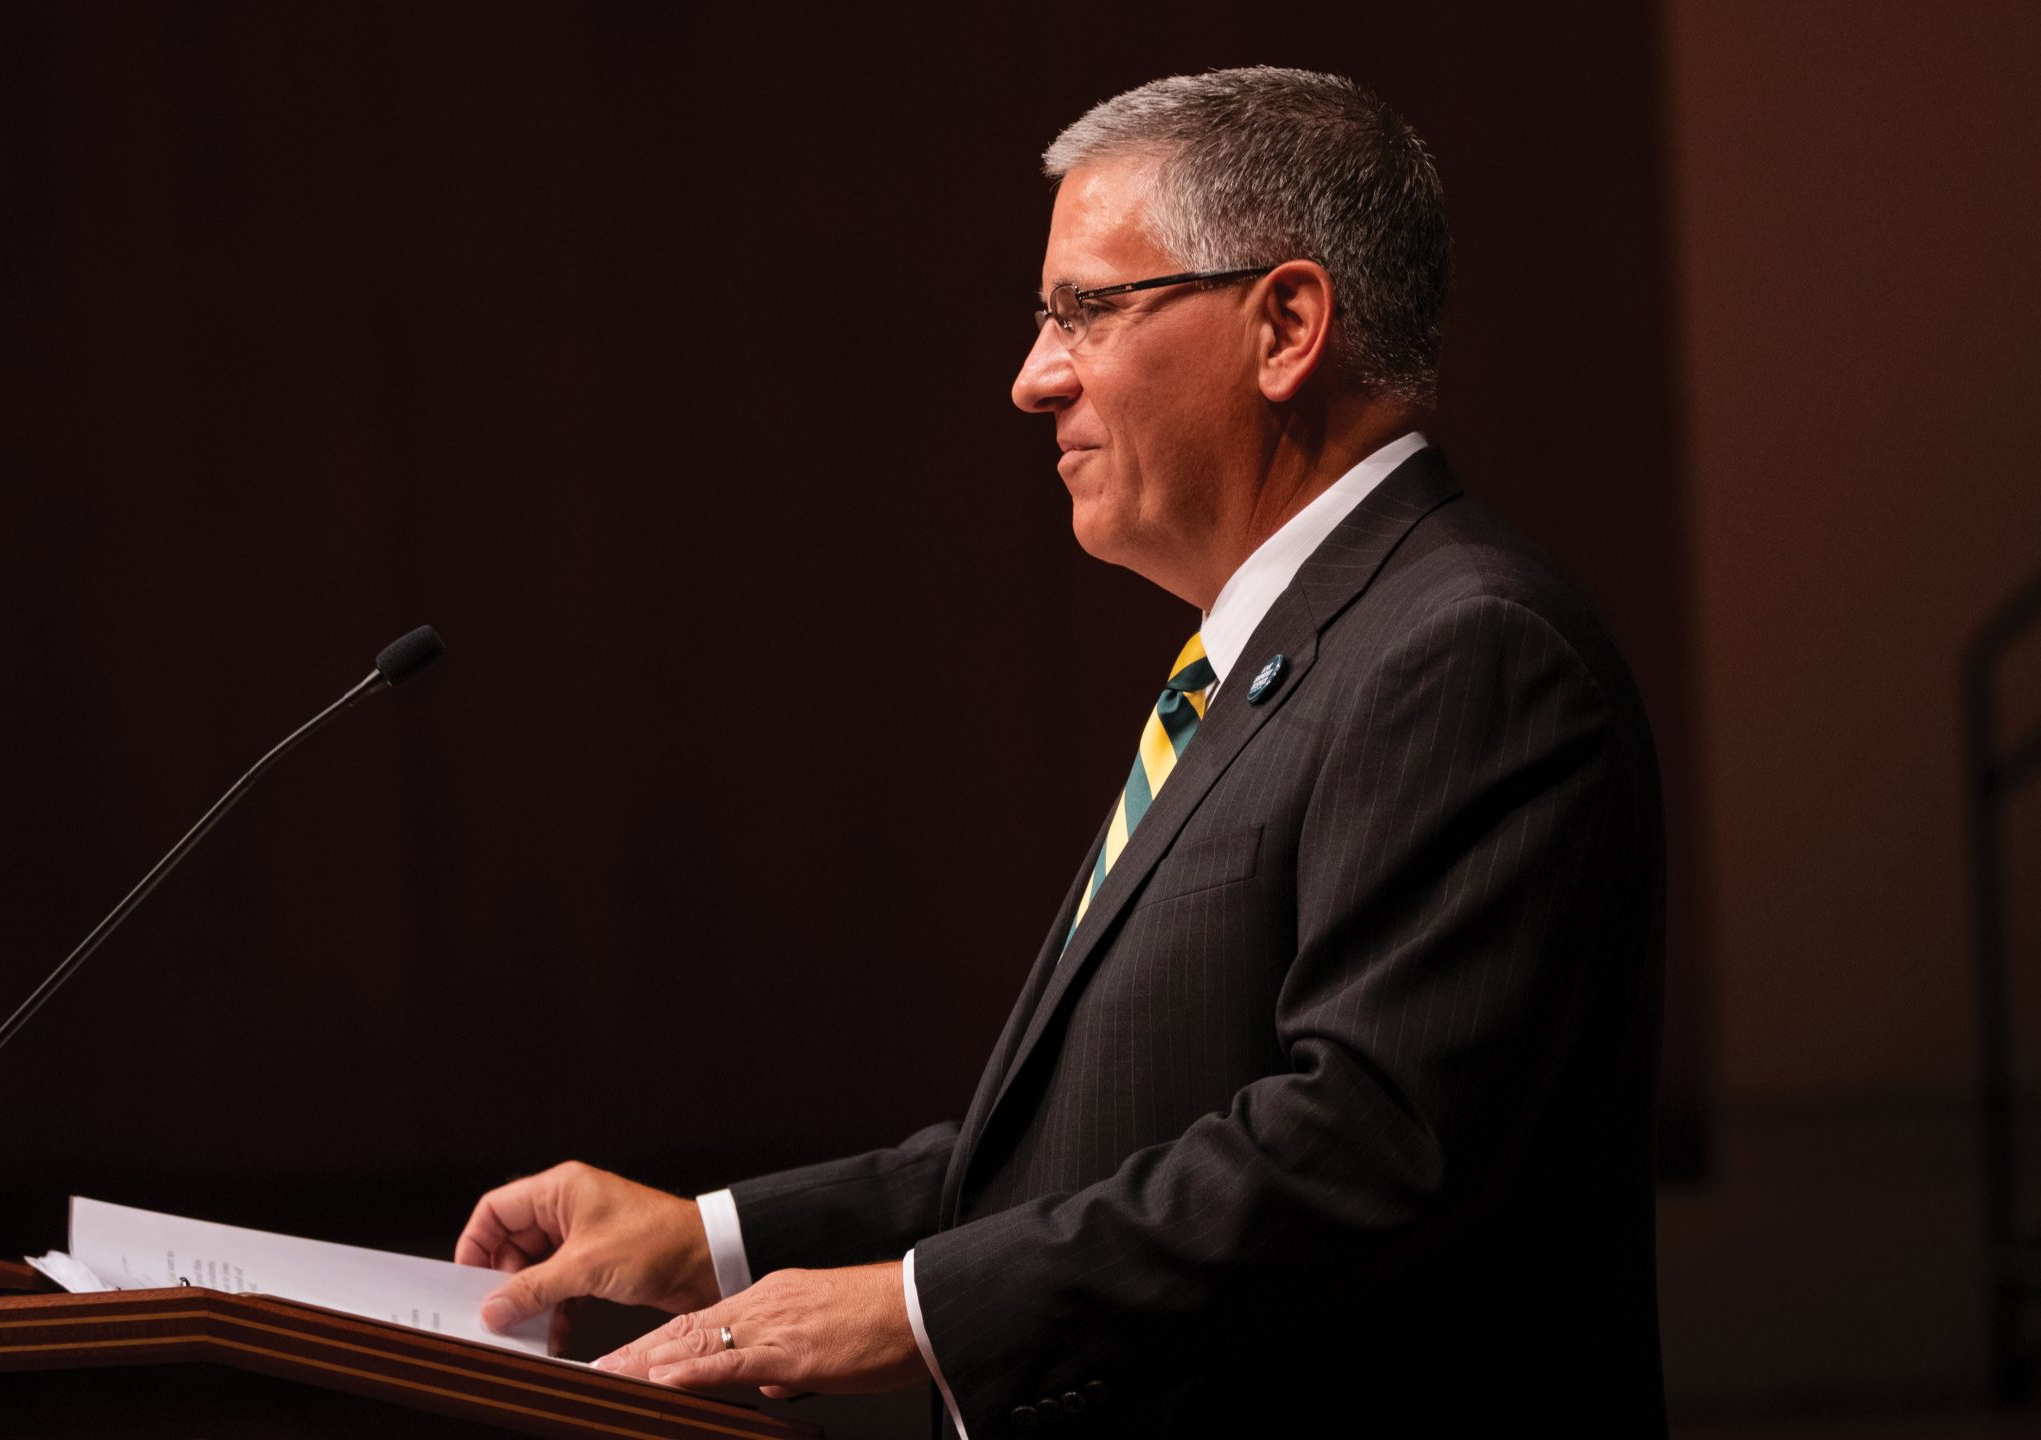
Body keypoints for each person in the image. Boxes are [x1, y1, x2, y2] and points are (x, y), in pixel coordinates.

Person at [456, 67, 1666, 1437]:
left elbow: (1369, 1148)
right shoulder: (1284, 656)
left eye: (1084, 310)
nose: (1033, 379)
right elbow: (1098, 1141)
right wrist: (714, 1238)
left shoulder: (1469, 649)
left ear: (1285, 325)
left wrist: (915, 1308)